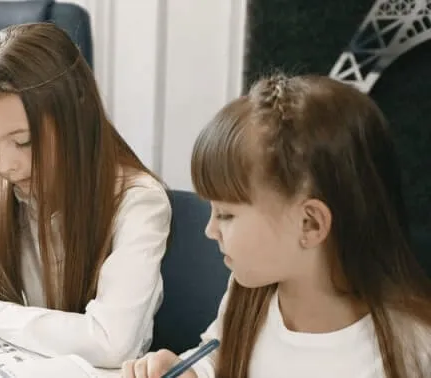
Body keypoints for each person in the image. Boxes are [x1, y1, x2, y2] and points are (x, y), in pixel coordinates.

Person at [0, 22, 172, 369]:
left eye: (23, 142)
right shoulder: (11, 191)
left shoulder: (138, 202)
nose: (6, 166)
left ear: (74, 119)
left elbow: (111, 341)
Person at [120, 74, 431, 378]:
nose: (210, 230)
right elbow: (217, 357)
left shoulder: (409, 352)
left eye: (226, 215)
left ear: (309, 223)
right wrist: (188, 370)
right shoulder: (248, 293)